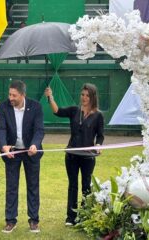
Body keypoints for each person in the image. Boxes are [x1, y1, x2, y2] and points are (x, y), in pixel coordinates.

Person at [44, 83, 104, 226]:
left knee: (86, 186)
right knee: (72, 186)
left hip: (88, 157)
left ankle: (84, 217)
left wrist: (98, 145)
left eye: (87, 96)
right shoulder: (74, 111)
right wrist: (50, 97)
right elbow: (57, 111)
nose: (84, 98)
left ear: (93, 97)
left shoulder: (98, 115)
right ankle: (70, 218)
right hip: (71, 155)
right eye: (82, 95)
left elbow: (100, 136)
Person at [0, 80, 44, 234]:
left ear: (23, 95)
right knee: (11, 187)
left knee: (33, 186)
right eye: (9, 94)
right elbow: (0, 128)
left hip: (31, 152)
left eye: (14, 95)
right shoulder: (3, 107)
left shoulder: (36, 106)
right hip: (12, 153)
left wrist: (35, 144)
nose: (10, 98)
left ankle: (34, 220)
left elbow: (39, 129)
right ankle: (10, 221)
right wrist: (3, 146)